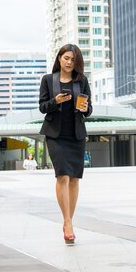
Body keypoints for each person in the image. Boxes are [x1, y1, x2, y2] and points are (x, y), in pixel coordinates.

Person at [39, 44, 92, 244]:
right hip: (56, 135)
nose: (69, 62)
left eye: (73, 60)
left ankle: (69, 219)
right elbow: (42, 107)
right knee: (62, 176)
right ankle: (67, 222)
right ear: (59, 58)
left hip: (76, 135)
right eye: (66, 58)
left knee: (75, 179)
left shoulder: (82, 81)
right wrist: (56, 101)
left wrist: (86, 108)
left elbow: (89, 110)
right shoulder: (48, 80)